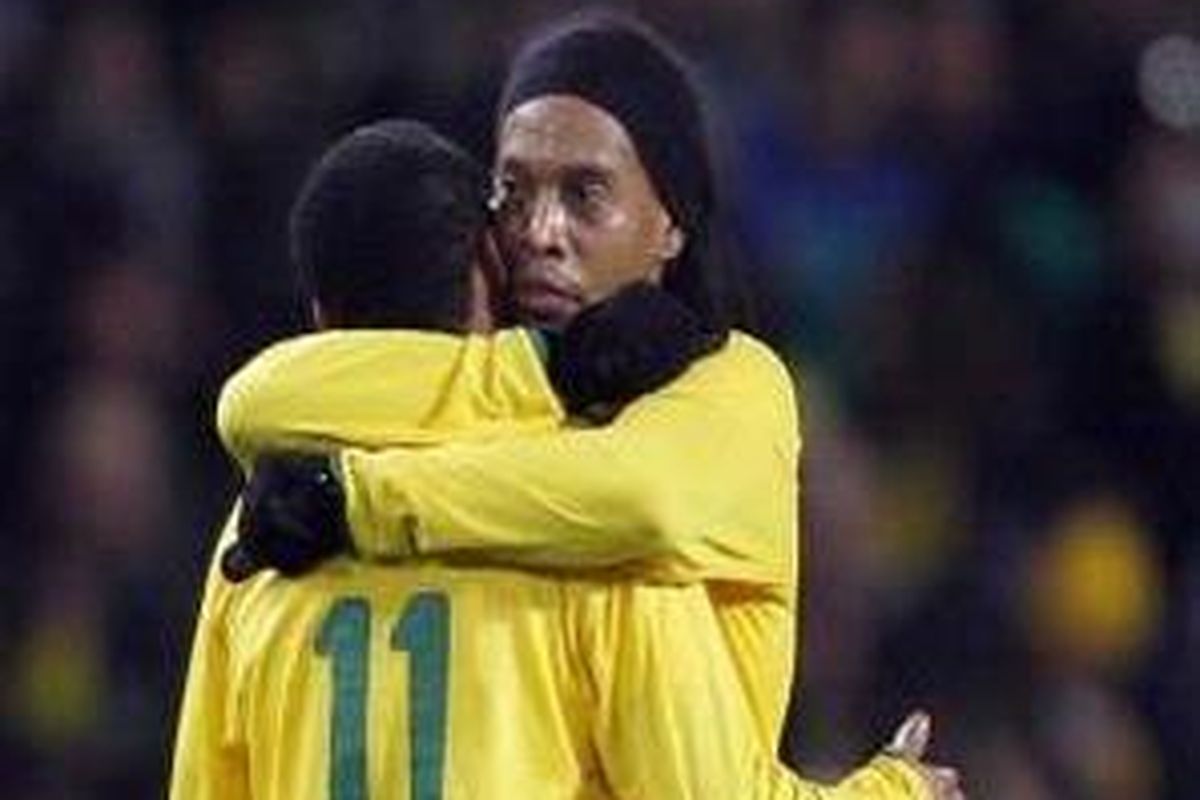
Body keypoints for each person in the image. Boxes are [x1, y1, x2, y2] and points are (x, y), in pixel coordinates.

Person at [223, 11, 963, 799]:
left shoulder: (728, 388)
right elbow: (252, 400)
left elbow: (641, 498)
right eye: (512, 192)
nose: (540, 232)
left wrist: (356, 500)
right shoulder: (487, 421)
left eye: (585, 194)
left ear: (670, 223)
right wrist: (547, 367)